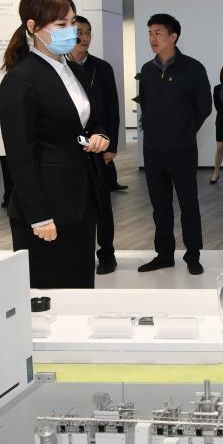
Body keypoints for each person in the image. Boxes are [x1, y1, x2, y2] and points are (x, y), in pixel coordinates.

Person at [0, 0, 109, 289]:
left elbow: (90, 120)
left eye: (72, 22)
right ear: (33, 27)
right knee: (49, 293)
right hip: (46, 210)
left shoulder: (74, 71)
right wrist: (39, 216)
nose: (71, 31)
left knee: (80, 288)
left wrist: (99, 135)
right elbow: (20, 155)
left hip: (81, 200)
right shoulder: (21, 81)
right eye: (61, 25)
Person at [137, 13, 212, 275]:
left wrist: (185, 131)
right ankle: (164, 254)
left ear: (173, 36)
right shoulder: (147, 70)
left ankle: (193, 255)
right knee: (160, 206)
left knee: (188, 204)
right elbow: (145, 104)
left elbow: (204, 106)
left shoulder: (193, 68)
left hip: (182, 149)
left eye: (158, 33)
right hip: (153, 150)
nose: (152, 38)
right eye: (150, 33)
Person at [67, 15, 123, 275]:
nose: (84, 37)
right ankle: (79, 253)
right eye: (79, 32)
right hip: (70, 149)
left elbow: (112, 109)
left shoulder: (102, 68)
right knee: (75, 204)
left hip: (99, 146)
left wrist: (112, 145)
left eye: (88, 32)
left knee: (102, 204)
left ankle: (107, 254)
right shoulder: (60, 68)